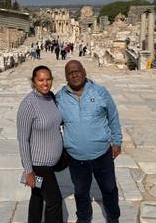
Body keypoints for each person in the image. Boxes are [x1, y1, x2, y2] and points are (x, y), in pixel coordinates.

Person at [56, 60, 122, 223]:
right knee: (81, 191)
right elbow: (52, 123)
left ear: (84, 72)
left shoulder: (100, 92)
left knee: (109, 188)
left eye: (77, 71)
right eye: (70, 73)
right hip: (76, 156)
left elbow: (113, 116)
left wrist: (117, 141)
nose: (75, 75)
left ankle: (113, 217)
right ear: (66, 76)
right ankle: (84, 218)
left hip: (102, 153)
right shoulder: (60, 97)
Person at [17, 65, 64, 223]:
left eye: (48, 79)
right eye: (41, 80)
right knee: (54, 201)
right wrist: (29, 171)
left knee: (37, 196)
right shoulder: (28, 105)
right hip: (39, 165)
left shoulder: (51, 97)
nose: (45, 83)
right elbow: (23, 139)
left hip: (52, 162)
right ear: (33, 81)